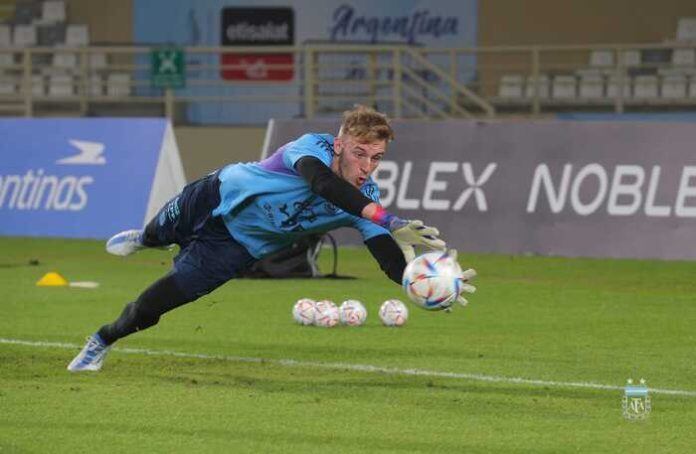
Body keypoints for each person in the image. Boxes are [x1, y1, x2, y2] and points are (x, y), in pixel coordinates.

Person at [67, 105, 476, 372]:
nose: (367, 166)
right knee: (158, 233)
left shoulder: (365, 199)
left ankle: (102, 339)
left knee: (158, 303)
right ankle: (145, 238)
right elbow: (321, 185)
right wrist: (385, 218)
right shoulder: (310, 148)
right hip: (218, 193)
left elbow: (388, 260)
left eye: (376, 158)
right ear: (339, 145)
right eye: (358, 153)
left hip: (235, 246)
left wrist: (423, 284)